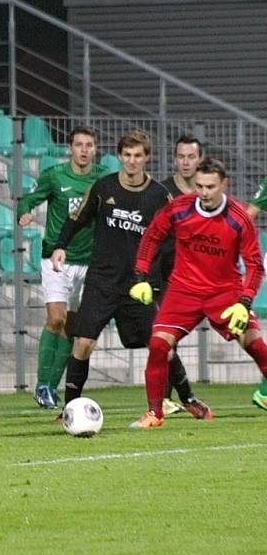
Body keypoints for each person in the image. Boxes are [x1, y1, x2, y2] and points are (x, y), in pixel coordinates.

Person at [50, 130, 188, 414]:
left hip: (139, 284)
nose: (132, 161)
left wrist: (166, 276)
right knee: (83, 343)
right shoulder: (103, 188)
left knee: (161, 343)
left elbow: (173, 238)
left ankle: (188, 398)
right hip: (102, 281)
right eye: (127, 155)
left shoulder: (160, 196)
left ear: (146, 158)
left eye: (138, 155)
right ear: (119, 156)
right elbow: (77, 218)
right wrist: (60, 246)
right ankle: (70, 408)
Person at [128, 157, 267, 428]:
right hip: (184, 290)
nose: (203, 192)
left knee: (256, 345)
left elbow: (254, 265)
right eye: (199, 186)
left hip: (224, 292)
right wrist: (141, 276)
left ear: (224, 184)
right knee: (158, 345)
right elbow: (151, 236)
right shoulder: (180, 208)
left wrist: (245, 300)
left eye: (210, 187)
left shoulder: (239, 219)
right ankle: (155, 414)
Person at [17, 125, 106, 409]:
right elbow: (29, 198)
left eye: (88, 145)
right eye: (78, 144)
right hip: (56, 258)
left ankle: (51, 388)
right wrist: (25, 213)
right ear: (70, 148)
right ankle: (42, 383)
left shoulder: (103, 178)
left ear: (94, 149)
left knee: (72, 326)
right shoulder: (55, 175)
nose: (83, 150)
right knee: (55, 318)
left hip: (89, 260)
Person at [151, 135, 213, 419]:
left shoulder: (209, 195)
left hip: (202, 277)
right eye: (181, 156)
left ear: (200, 159)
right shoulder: (162, 191)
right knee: (165, 338)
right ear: (174, 159)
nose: (186, 161)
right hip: (167, 275)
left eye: (191, 156)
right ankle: (169, 399)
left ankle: (175, 398)